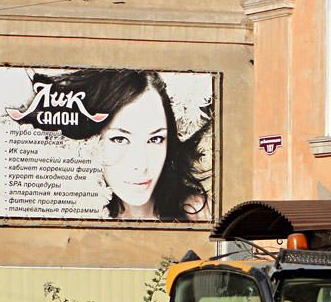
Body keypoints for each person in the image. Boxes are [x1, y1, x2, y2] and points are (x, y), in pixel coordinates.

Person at [16, 68, 212, 221]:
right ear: (89, 139)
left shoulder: (198, 212)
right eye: (120, 139)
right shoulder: (71, 214)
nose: (141, 164)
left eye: (155, 139)